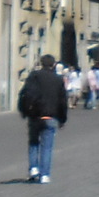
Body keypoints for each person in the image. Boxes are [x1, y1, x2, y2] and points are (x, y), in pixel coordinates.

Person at [18, 53, 69, 184]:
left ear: (41, 63)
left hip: (34, 115)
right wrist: (62, 119)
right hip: (50, 116)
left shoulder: (33, 76)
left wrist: (24, 112)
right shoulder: (58, 80)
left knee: (33, 142)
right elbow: (62, 101)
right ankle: (44, 174)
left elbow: (24, 94)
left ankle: (33, 168)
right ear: (53, 65)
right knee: (46, 147)